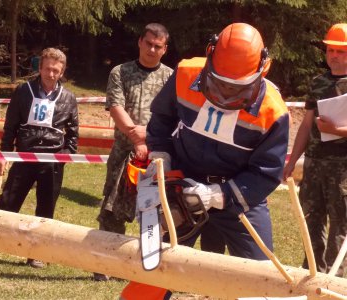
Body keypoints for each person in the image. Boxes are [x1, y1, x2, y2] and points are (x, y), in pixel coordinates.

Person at [120, 22, 289, 299]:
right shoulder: (186, 73)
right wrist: (161, 157)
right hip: (183, 181)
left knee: (261, 279)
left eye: (236, 88)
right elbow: (162, 119)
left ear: (262, 70)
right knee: (153, 265)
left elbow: (266, 173)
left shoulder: (273, 112)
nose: (225, 94)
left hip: (237, 194)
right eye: (220, 83)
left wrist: (217, 196)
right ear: (210, 55)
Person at [0, 47, 79, 268]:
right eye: (48, 69)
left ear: (62, 70)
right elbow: (10, 127)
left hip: (52, 161)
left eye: (56, 70)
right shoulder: (23, 91)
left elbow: (73, 134)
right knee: (7, 203)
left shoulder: (68, 97)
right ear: (40, 67)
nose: (51, 74)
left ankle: (38, 253)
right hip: (24, 156)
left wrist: (66, 155)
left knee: (46, 209)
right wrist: (5, 153)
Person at [94, 23, 173, 281]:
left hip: (156, 157)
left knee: (153, 214)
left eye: (157, 46)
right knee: (112, 210)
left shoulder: (172, 78)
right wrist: (135, 135)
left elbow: (175, 116)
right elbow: (116, 106)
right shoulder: (120, 72)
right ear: (140, 41)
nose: (151, 49)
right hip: (123, 153)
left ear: (164, 49)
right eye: (148, 43)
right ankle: (105, 266)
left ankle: (146, 267)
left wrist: (148, 139)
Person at [283, 23, 347, 277]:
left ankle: (334, 281)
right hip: (314, 163)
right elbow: (306, 126)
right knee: (311, 220)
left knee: (340, 227)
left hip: (342, 167)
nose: (334, 56)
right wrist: (291, 162)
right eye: (331, 50)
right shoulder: (318, 82)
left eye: (340, 51)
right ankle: (311, 275)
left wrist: (337, 129)